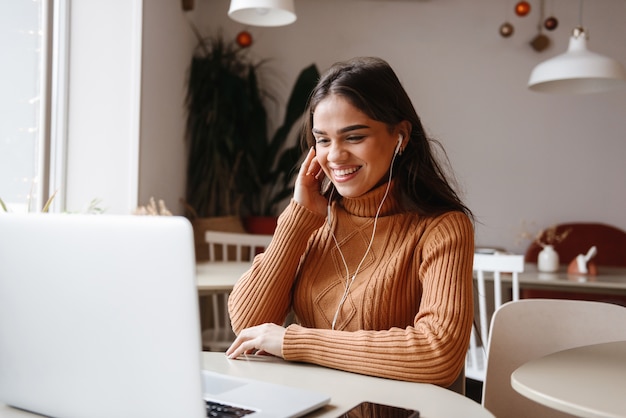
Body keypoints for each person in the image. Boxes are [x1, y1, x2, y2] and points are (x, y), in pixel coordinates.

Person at [226, 56, 474, 389]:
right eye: (323, 140)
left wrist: (295, 342)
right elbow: (249, 325)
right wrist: (298, 219)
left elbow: (438, 352)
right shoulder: (315, 223)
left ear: (400, 136)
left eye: (354, 137)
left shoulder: (442, 228)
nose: (335, 156)